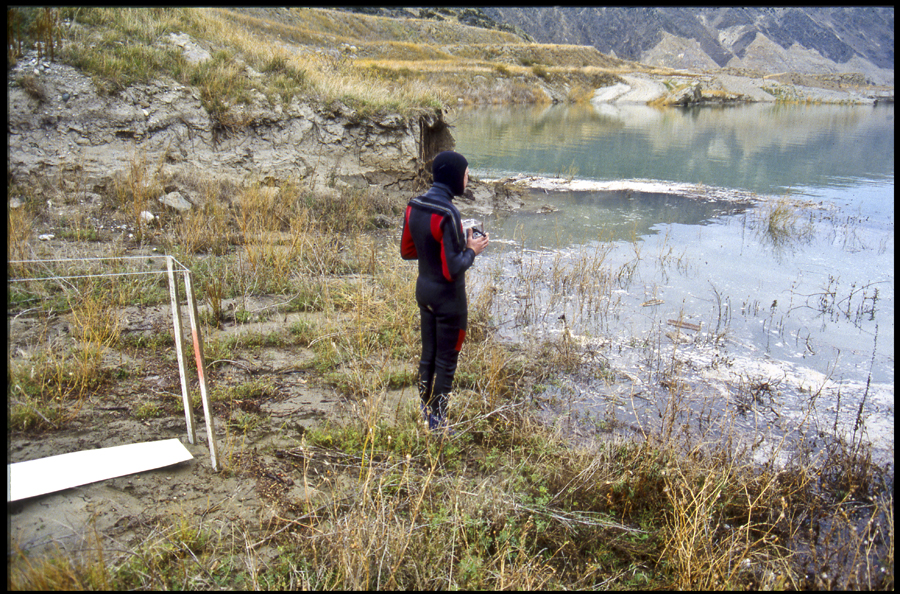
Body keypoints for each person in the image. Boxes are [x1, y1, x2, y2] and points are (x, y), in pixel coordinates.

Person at [400, 151, 489, 432]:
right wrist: (471, 250)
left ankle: (425, 413)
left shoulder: (415, 204)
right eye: (465, 174)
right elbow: (453, 269)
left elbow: (407, 251)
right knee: (446, 362)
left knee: (428, 355)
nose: (467, 178)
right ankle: (438, 424)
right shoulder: (448, 212)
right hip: (449, 301)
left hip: (424, 292)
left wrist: (447, 245)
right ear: (454, 177)